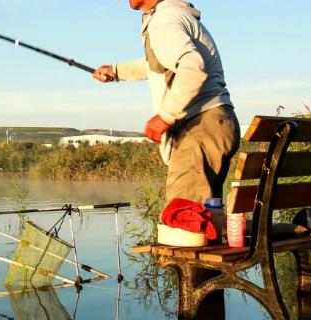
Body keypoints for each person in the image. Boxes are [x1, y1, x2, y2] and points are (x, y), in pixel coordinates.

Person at [93, 0, 240, 207]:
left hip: (198, 127)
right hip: (214, 123)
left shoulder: (164, 19)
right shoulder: (173, 14)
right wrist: (117, 71)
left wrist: (165, 116)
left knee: (183, 222)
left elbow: (192, 66)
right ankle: (291, 229)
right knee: (205, 221)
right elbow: (161, 63)